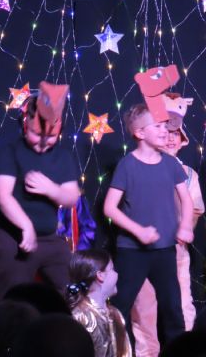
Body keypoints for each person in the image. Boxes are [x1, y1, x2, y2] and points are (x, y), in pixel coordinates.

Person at [103, 103, 193, 346]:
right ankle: (120, 350)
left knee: (172, 307)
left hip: (164, 250)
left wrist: (186, 226)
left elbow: (186, 200)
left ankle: (178, 350)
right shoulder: (127, 165)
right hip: (132, 251)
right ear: (140, 133)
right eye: (158, 126)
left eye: (165, 126)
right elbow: (109, 208)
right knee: (122, 305)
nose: (165, 131)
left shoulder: (171, 164)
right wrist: (138, 231)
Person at [0, 81, 80, 300]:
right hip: (14, 238)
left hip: (49, 239)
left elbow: (71, 197)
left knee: (71, 290)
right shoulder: (11, 151)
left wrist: (51, 190)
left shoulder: (63, 156)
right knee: (13, 297)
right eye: (36, 134)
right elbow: (2, 195)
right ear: (26, 124)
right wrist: (26, 226)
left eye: (50, 137)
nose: (42, 143)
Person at [131, 104, 205, 356]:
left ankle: (186, 350)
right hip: (144, 250)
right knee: (145, 309)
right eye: (167, 132)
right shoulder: (138, 166)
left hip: (175, 251)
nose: (171, 138)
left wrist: (182, 228)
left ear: (183, 140)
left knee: (182, 306)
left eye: (177, 134)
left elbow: (195, 209)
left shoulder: (188, 174)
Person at [67, 249, 132, 357]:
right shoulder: (80, 316)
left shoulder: (115, 314)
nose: (116, 274)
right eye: (112, 269)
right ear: (100, 275)